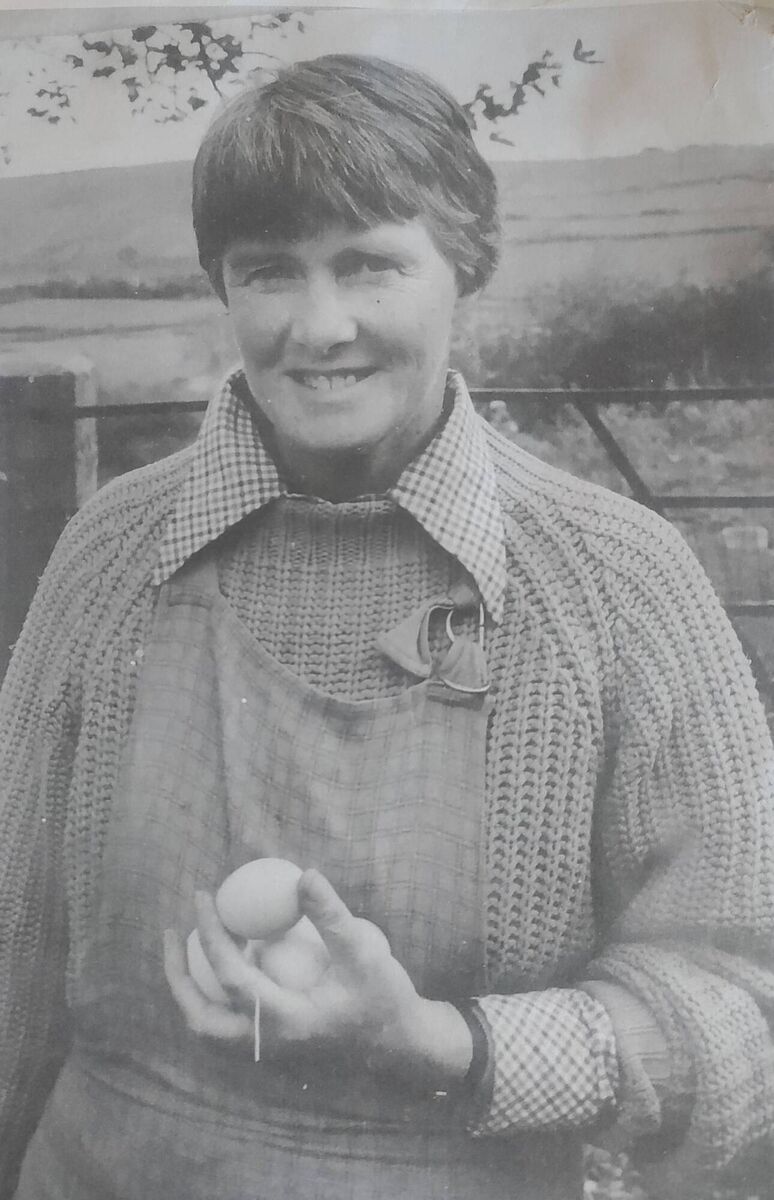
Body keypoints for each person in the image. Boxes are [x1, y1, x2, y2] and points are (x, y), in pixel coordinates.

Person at [1, 53, 773, 1200]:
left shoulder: (617, 580)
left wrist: (444, 1046)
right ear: (222, 285)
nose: (320, 327)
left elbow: (742, 1004)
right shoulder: (112, 554)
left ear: (463, 267)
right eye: (270, 272)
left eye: (369, 264)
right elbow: (12, 954)